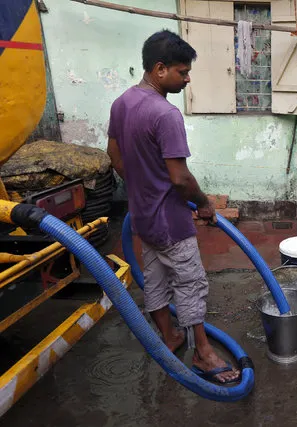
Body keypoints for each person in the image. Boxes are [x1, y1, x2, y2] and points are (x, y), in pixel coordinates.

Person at [107, 30, 240, 384]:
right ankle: (203, 352)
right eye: (182, 72)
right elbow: (180, 178)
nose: (187, 78)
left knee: (154, 279)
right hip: (171, 220)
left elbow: (114, 154)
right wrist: (205, 204)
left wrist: (139, 186)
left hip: (143, 218)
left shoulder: (122, 103)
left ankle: (169, 336)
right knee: (191, 283)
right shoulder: (165, 114)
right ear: (160, 69)